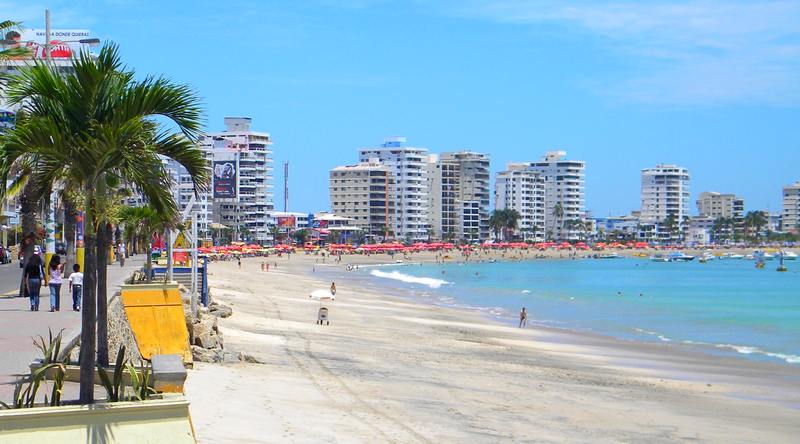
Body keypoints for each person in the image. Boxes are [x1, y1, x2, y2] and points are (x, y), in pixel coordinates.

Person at [24, 246, 44, 311]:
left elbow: (26, 273)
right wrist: (44, 279)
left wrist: (25, 281)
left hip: (30, 279)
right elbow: (42, 271)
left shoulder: (29, 263)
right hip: (37, 279)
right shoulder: (38, 263)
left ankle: (32, 304)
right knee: (37, 294)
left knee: (31, 293)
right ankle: (36, 306)